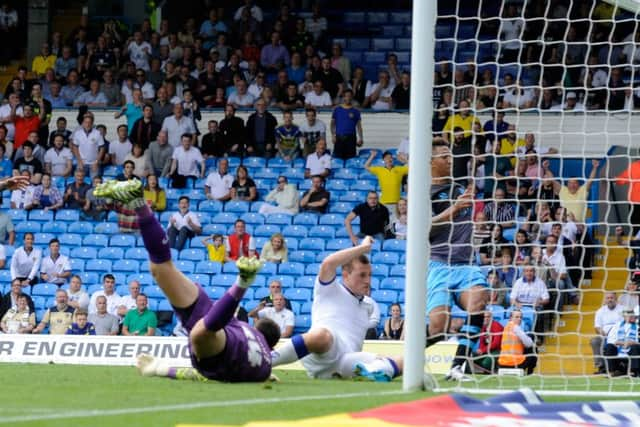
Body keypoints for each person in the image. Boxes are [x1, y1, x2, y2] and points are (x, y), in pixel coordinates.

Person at [93, 177, 281, 382]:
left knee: (161, 267)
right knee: (202, 332)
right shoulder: (265, 367)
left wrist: (161, 369)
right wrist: (162, 369)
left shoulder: (251, 337)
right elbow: (199, 375)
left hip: (216, 318)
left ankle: (139, 204)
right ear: (270, 347)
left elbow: (198, 373)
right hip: (222, 354)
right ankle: (241, 284)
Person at [270, 236, 403, 381]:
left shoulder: (368, 306)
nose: (368, 281)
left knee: (407, 362)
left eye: (370, 275)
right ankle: (266, 362)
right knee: (323, 336)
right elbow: (328, 263)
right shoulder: (330, 289)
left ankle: (373, 371)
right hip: (323, 352)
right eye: (362, 275)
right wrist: (363, 248)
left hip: (347, 361)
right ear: (345, 275)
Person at [426, 140, 488, 381]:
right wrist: (454, 208)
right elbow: (423, 229)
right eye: (444, 156)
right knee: (439, 328)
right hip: (438, 264)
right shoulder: (423, 192)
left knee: (479, 299)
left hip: (465, 265)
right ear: (431, 162)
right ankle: (400, 361)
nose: (450, 160)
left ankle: (458, 367)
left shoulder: (459, 187)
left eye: (451, 155)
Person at [591, 292, 624, 375]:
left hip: (620, 334)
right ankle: (601, 367)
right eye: (608, 298)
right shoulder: (600, 311)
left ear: (616, 299)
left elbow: (628, 323)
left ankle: (621, 366)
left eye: (612, 298)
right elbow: (597, 327)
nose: (610, 300)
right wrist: (601, 332)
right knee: (595, 341)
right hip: (605, 335)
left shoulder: (623, 309)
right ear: (605, 300)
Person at [497, 310, 537, 375]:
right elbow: (529, 344)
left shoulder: (506, 328)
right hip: (515, 363)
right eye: (517, 317)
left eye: (521, 317)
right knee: (533, 347)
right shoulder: (516, 327)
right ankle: (530, 373)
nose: (519, 319)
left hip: (502, 363)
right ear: (510, 318)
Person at [603, 309, 640, 377]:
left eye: (633, 316)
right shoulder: (617, 326)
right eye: (630, 316)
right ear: (624, 317)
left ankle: (633, 372)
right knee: (609, 347)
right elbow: (611, 340)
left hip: (633, 350)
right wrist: (623, 343)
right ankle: (612, 371)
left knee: (635, 347)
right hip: (619, 349)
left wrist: (633, 342)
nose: (633, 317)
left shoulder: (638, 326)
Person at [330, 89, 363, 160]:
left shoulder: (356, 111)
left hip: (351, 138)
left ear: (352, 98)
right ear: (343, 97)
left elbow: (359, 126)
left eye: (350, 96)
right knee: (338, 159)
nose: (348, 98)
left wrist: (361, 138)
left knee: (351, 159)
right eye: (346, 96)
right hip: (339, 138)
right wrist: (333, 135)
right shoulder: (337, 109)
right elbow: (332, 124)